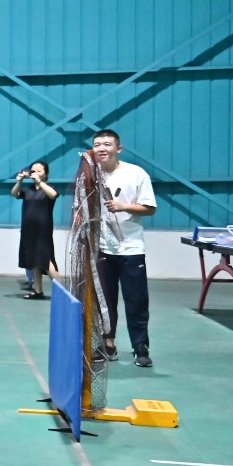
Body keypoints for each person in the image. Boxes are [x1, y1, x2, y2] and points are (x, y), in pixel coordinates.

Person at [93, 130, 157, 367]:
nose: (101, 148)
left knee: (136, 300)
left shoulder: (136, 173)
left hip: (131, 249)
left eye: (107, 144)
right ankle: (107, 344)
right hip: (102, 249)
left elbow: (150, 208)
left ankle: (140, 347)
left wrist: (123, 207)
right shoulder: (91, 176)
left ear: (118, 149)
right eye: (97, 144)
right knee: (105, 302)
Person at [11, 161, 58, 299]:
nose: (35, 173)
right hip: (28, 229)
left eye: (39, 171)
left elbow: (53, 195)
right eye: (33, 171)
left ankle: (62, 291)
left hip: (43, 229)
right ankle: (38, 290)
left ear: (46, 174)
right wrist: (19, 181)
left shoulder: (49, 188)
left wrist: (40, 182)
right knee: (33, 259)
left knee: (46, 259)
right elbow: (14, 193)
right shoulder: (28, 190)